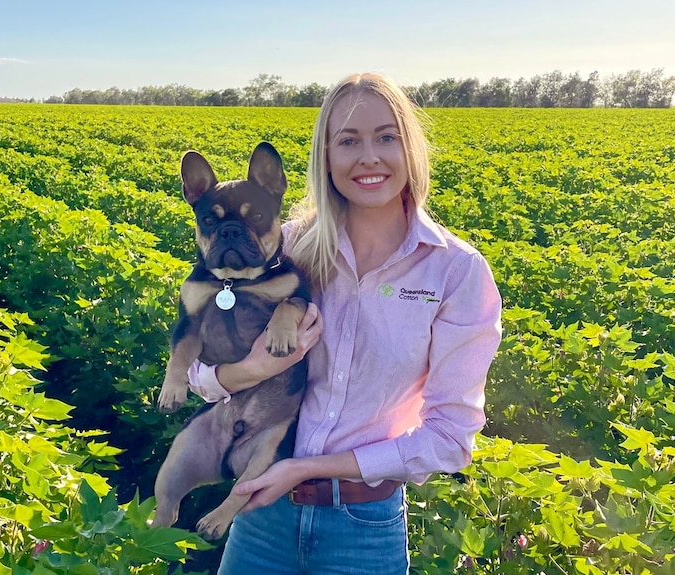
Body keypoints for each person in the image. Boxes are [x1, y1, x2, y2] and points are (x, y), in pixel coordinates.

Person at [186, 72, 502, 575]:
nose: (368, 157)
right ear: (325, 157)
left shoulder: (455, 272)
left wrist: (304, 469)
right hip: (259, 515)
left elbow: (449, 438)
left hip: (363, 527)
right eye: (348, 141)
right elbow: (197, 375)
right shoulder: (283, 247)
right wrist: (240, 373)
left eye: (386, 137)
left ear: (411, 149)